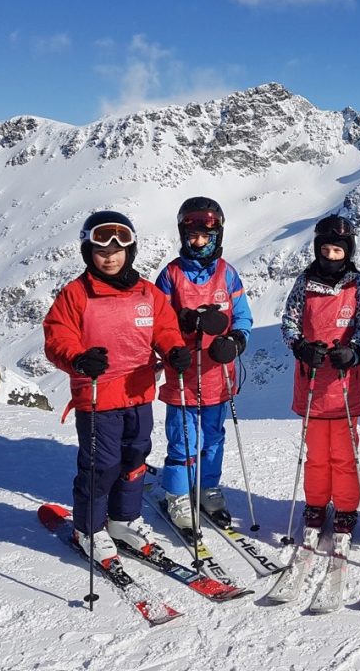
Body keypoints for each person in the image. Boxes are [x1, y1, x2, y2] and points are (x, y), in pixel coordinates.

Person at [43, 210, 191, 566]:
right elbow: (57, 335)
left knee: (135, 459)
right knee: (101, 466)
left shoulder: (147, 293)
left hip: (138, 393)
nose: (110, 257)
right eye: (101, 250)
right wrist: (78, 358)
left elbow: (165, 329)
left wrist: (173, 350)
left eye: (117, 249)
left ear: (131, 250)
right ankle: (89, 529)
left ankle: (123, 520)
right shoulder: (77, 294)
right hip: (97, 396)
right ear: (88, 253)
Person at [154, 197, 253, 535]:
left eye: (203, 237)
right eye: (191, 236)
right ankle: (179, 496)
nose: (196, 242)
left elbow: (242, 316)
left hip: (217, 375)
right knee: (182, 439)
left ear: (216, 236)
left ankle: (208, 488)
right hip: (183, 374)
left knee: (213, 438)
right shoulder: (171, 274)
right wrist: (178, 331)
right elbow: (156, 322)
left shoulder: (227, 274)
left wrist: (235, 341)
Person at [281, 214, 360, 536]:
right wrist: (300, 347)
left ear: (348, 252)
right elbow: (289, 323)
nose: (331, 256)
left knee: (345, 454)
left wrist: (355, 351)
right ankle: (316, 504)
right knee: (317, 454)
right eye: (326, 250)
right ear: (317, 249)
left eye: (338, 251)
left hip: (346, 384)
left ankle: (346, 509)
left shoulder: (358, 284)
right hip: (313, 384)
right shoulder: (304, 284)